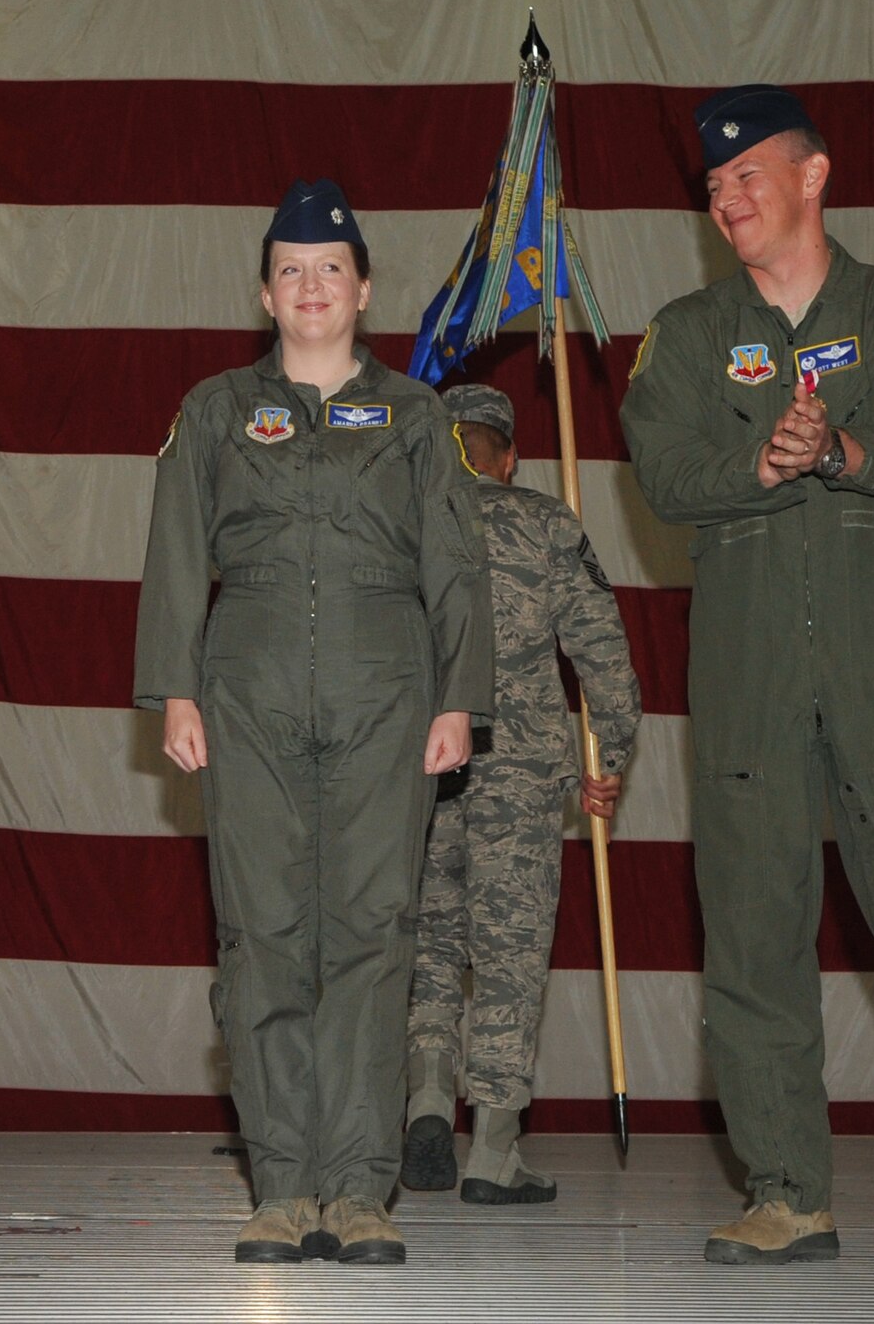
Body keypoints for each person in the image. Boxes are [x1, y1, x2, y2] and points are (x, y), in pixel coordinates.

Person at [618, 84, 874, 1267]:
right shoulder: (686, 335)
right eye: (711, 187)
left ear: (814, 175)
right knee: (751, 921)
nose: (725, 199)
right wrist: (761, 459)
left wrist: (840, 447)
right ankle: (785, 1188)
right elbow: (662, 465)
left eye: (748, 176)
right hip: (746, 658)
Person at [133, 178, 492, 1265]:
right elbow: (175, 552)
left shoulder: (420, 416)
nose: (309, 287)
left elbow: (456, 566)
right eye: (289, 270)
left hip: (387, 696)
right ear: (263, 290)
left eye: (328, 269)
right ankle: (282, 1183)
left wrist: (458, 696)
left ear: (363, 288)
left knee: (374, 939)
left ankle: (360, 1185)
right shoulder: (212, 410)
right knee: (263, 938)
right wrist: (176, 689)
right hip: (246, 696)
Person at [400, 385, 642, 1206]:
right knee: (506, 960)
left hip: (417, 769)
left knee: (426, 948)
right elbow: (602, 653)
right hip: (522, 771)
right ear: (509, 455)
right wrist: (610, 756)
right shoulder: (546, 524)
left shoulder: (406, 524)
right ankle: (492, 1151)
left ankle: (427, 1098)